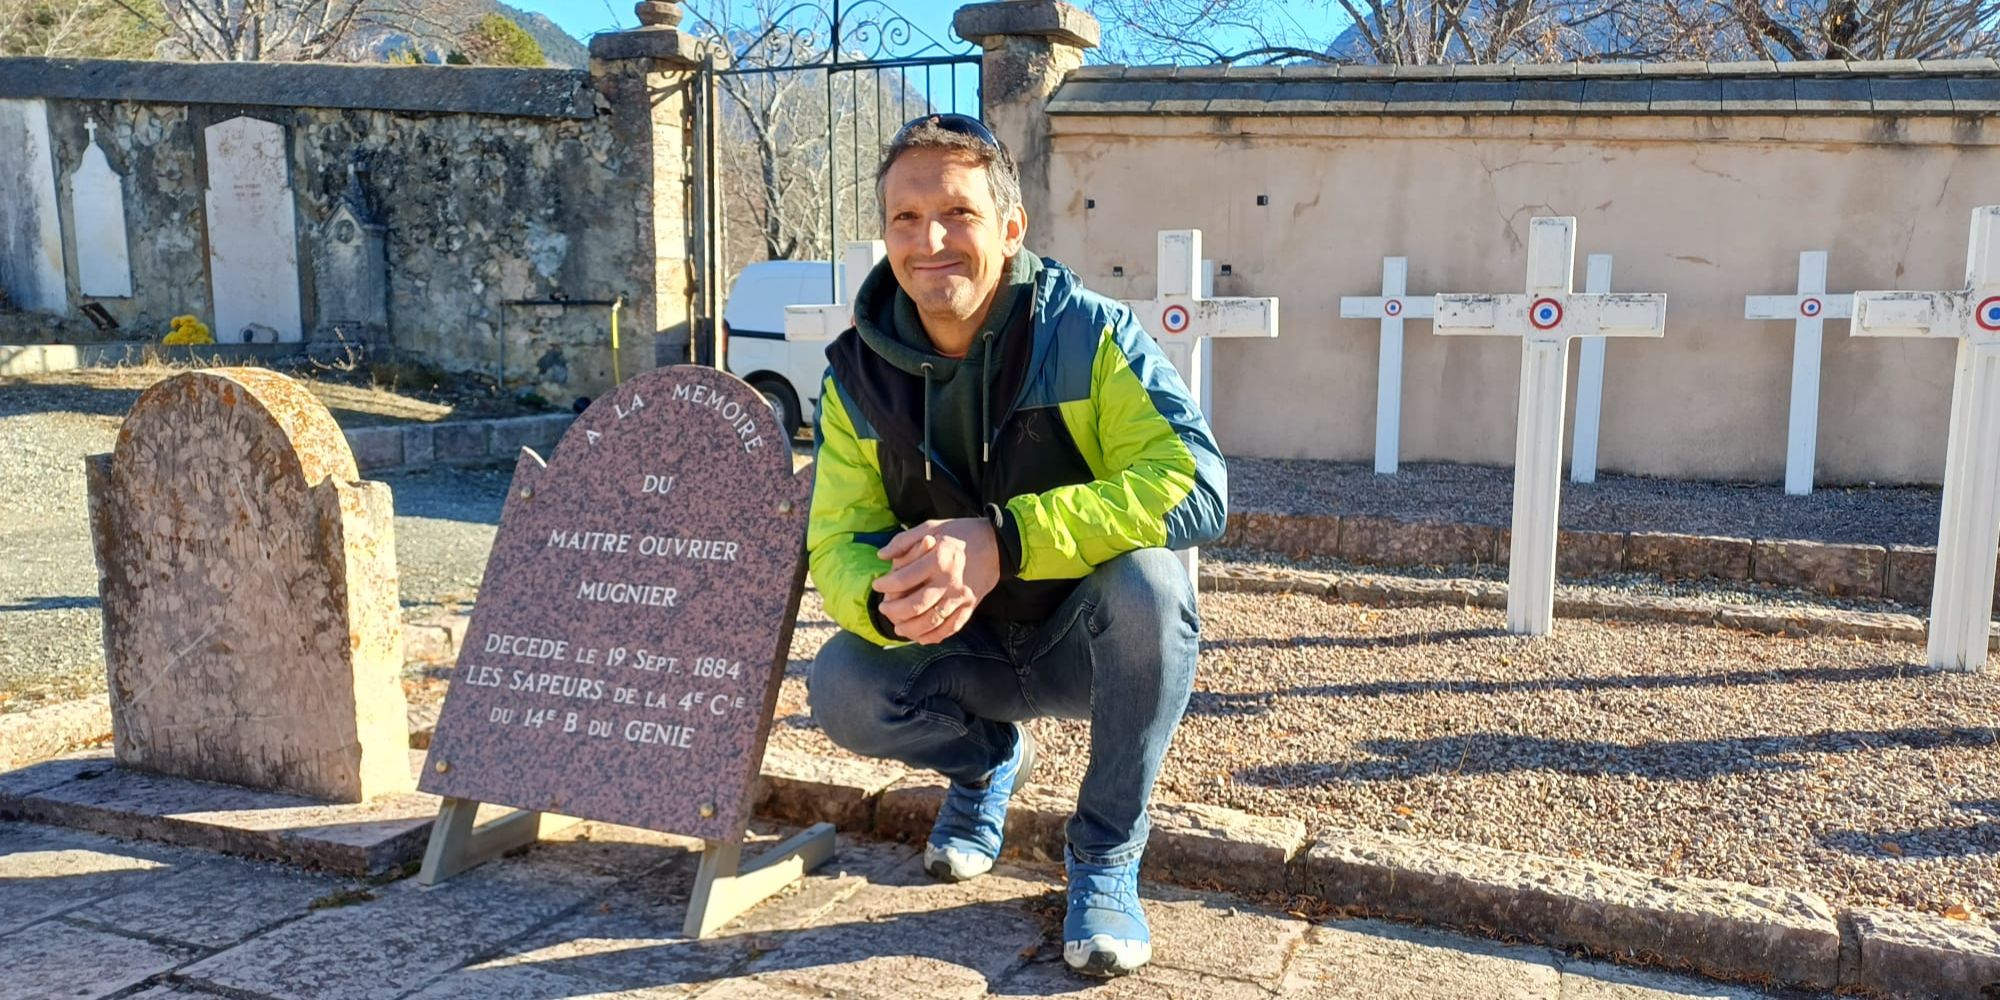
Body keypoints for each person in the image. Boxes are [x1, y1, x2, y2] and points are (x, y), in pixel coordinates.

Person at [805, 112, 1225, 977]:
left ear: (1010, 227)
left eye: (957, 213)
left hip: (1082, 644)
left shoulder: (1091, 334)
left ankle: (1104, 855)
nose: (929, 242)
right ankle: (988, 764)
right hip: (966, 651)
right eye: (905, 218)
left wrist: (1008, 540)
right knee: (844, 684)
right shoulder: (854, 376)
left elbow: (1194, 482)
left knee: (1152, 589)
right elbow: (838, 538)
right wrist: (888, 600)